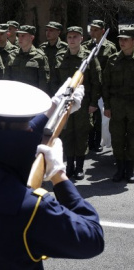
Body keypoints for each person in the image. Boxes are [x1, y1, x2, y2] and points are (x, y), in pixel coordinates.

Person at [0, 80, 104, 269]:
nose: (30, 129)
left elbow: (5, 140)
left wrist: (55, 106)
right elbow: (93, 238)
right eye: (27, 126)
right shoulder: (32, 208)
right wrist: (59, 175)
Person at [53, 26, 101, 180]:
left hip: (83, 103)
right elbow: (54, 81)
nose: (72, 40)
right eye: (69, 37)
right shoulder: (60, 56)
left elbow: (96, 81)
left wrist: (93, 103)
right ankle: (69, 166)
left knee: (81, 134)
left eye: (75, 37)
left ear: (81, 39)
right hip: (64, 103)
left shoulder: (89, 58)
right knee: (66, 134)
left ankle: (79, 167)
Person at [102, 27, 134, 183]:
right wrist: (107, 106)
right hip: (117, 106)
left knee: (133, 139)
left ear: (133, 41)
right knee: (117, 138)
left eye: (126, 39)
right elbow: (105, 84)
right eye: (120, 39)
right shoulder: (112, 59)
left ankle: (130, 169)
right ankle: (120, 169)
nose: (122, 42)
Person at [83, 20, 118, 153]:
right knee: (90, 113)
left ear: (102, 31)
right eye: (91, 29)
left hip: (104, 85)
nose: (93, 32)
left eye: (96, 30)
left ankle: (99, 141)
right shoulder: (86, 45)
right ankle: (90, 141)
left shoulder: (110, 47)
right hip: (90, 85)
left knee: (102, 117)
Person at [6, 25, 50, 94]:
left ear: (31, 38)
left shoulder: (40, 57)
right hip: (14, 94)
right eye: (19, 36)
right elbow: (7, 79)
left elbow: (43, 83)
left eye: (23, 36)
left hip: (32, 96)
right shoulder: (12, 55)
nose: (20, 38)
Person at [39, 21, 68, 96]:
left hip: (58, 87)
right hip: (44, 86)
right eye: (47, 30)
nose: (48, 33)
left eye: (51, 30)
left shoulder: (65, 48)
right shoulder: (42, 47)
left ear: (58, 32)